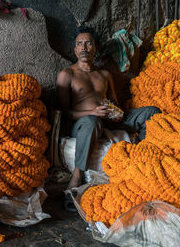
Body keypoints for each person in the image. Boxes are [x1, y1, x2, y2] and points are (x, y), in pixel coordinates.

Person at [56, 26, 161, 211]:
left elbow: (115, 102)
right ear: (74, 50)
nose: (84, 48)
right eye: (79, 44)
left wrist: (116, 113)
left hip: (107, 118)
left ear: (96, 48)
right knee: (91, 121)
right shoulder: (67, 75)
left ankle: (145, 159)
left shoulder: (104, 74)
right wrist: (92, 113)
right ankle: (77, 177)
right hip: (83, 123)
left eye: (88, 43)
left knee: (151, 112)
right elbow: (64, 112)